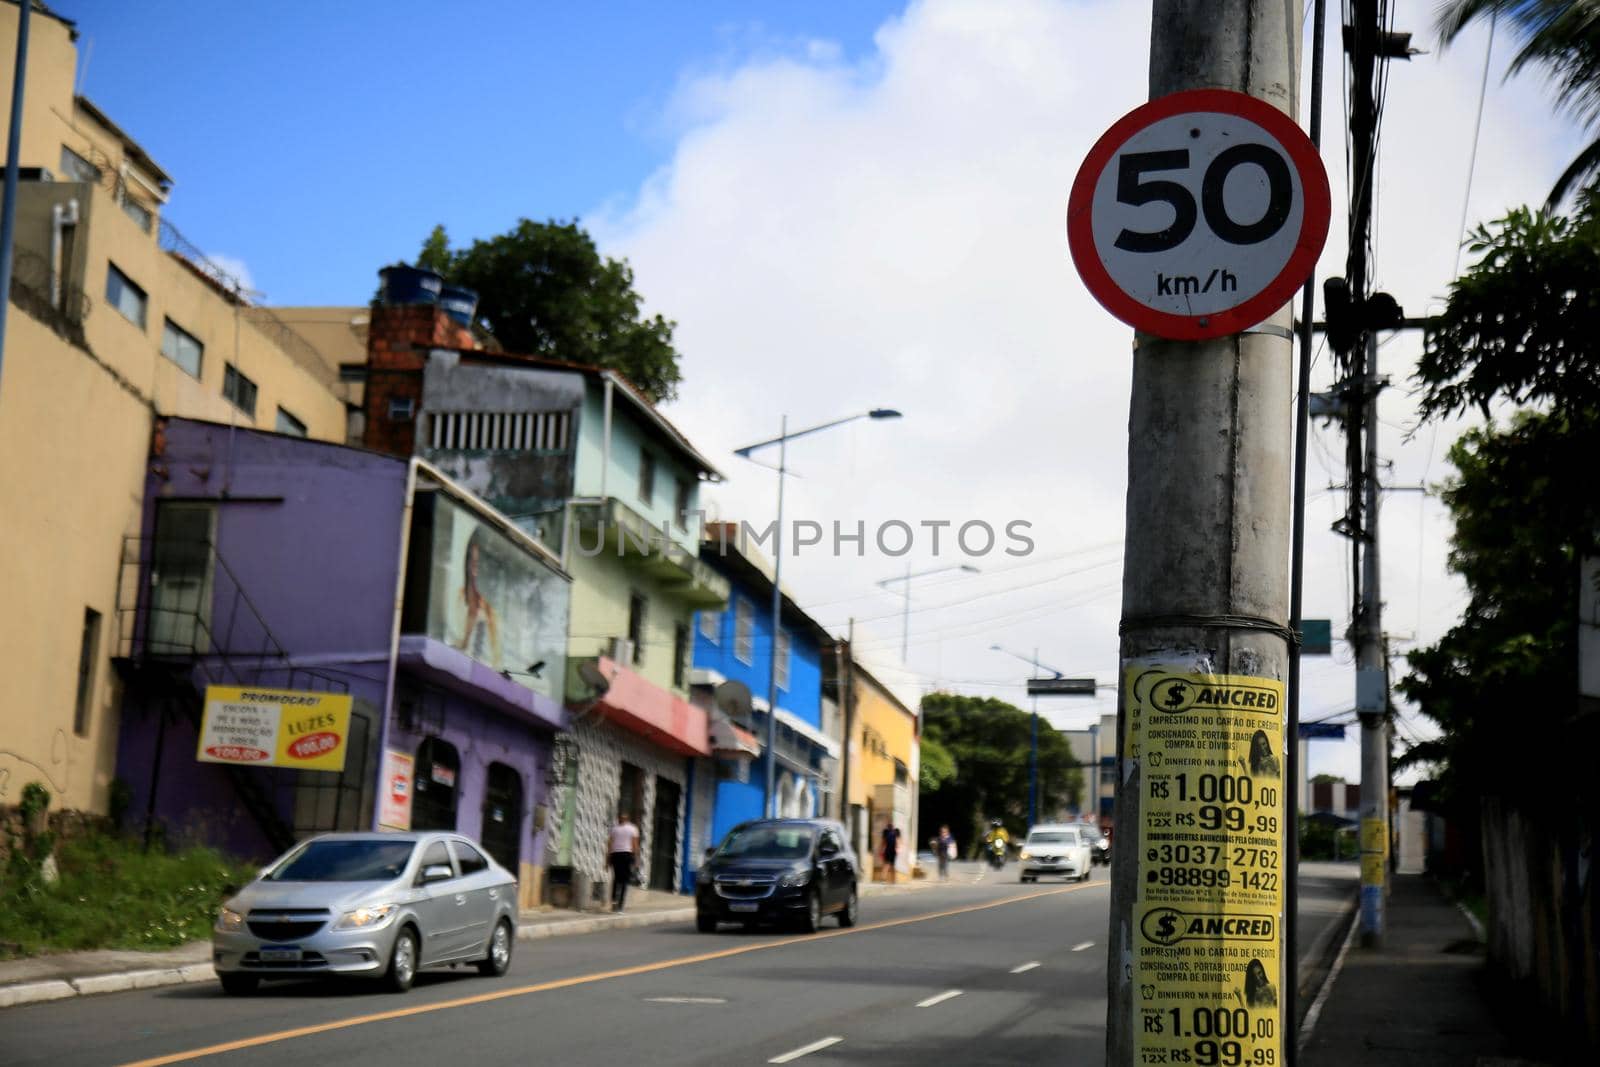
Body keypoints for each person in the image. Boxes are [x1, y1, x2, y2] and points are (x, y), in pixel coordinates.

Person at [453, 532, 503, 670]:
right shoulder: (458, 597)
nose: (474, 569)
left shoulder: (490, 613)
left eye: (478, 563)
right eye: (471, 561)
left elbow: (495, 660)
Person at [607, 812, 641, 912]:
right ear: (628, 819)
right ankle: (620, 906)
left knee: (617, 879)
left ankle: (614, 902)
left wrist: (607, 860)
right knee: (624, 880)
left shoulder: (614, 829)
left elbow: (609, 845)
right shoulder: (633, 828)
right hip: (626, 855)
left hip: (616, 855)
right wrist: (636, 859)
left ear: (619, 819)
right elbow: (635, 845)